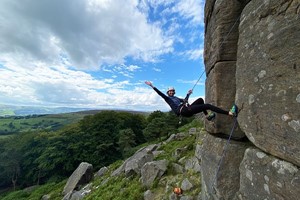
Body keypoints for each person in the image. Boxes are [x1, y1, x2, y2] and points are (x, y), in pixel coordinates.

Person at [145, 81, 238, 120]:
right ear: (168, 93)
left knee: (200, 100)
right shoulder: (168, 99)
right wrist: (152, 86)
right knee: (208, 106)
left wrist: (188, 94)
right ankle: (230, 113)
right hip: (184, 111)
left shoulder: (176, 98)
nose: (171, 92)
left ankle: (208, 117)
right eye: (170, 91)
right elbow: (160, 94)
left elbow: (185, 100)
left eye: (172, 91)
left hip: (186, 109)